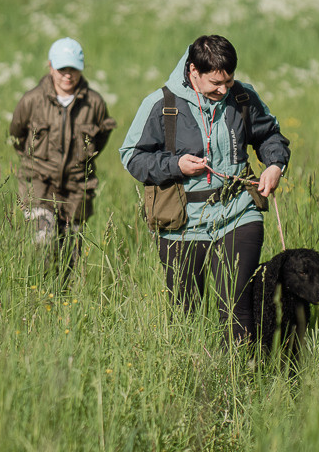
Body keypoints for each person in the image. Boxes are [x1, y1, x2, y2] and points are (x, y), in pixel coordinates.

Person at [120, 34, 290, 343]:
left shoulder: (243, 97)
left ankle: (240, 369)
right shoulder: (160, 104)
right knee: (185, 312)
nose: (223, 90)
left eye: (229, 81)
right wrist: (175, 165)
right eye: (215, 83)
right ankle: (194, 368)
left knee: (238, 308)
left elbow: (269, 136)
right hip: (182, 224)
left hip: (239, 212)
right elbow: (132, 157)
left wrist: (275, 165)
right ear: (193, 71)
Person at [10, 37, 116, 273]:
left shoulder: (94, 103)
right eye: (62, 69)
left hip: (77, 187)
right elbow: (17, 136)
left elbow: (102, 136)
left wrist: (82, 161)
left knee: (71, 249)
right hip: (39, 182)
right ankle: (41, 288)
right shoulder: (31, 100)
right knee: (44, 240)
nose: (68, 75)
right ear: (50, 67)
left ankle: (64, 292)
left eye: (73, 69)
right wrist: (35, 162)